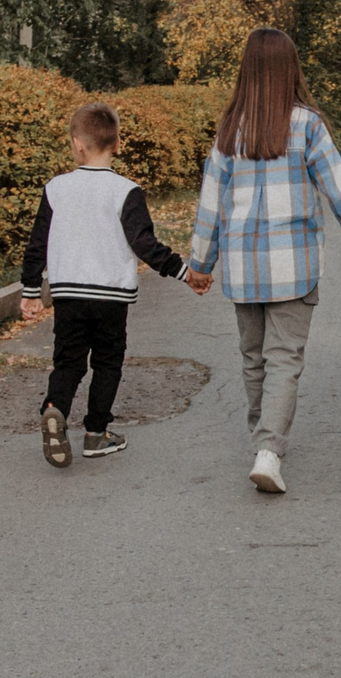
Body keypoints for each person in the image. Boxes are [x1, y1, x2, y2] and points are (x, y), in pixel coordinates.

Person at [186, 29, 341, 495]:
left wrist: (200, 264)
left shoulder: (230, 130)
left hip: (243, 269)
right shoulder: (307, 125)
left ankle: (262, 438)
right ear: (291, 70)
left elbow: (210, 204)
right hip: (294, 266)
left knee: (254, 358)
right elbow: (340, 191)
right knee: (284, 359)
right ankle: (269, 450)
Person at [20, 100, 209, 468]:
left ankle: (55, 407)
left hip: (69, 295)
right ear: (118, 143)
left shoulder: (55, 189)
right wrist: (186, 273)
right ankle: (96, 433)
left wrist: (31, 292)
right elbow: (145, 244)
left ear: (76, 144)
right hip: (111, 296)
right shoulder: (126, 191)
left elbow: (37, 244)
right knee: (108, 362)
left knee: (69, 362)